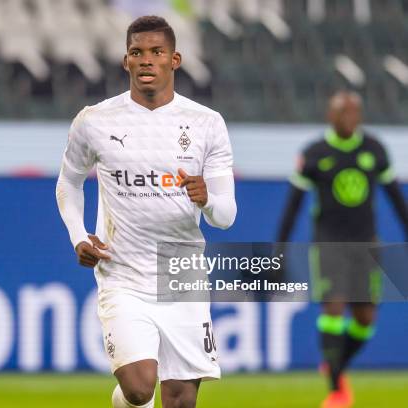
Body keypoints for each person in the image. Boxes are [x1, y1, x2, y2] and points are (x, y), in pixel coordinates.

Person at [56, 15, 236, 408]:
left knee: (181, 401)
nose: (147, 60)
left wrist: (207, 199)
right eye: (137, 52)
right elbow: (68, 183)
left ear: (175, 59)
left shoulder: (206, 124)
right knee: (139, 389)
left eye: (157, 52)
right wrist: (78, 235)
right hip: (122, 273)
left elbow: (225, 215)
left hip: (181, 274)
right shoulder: (95, 121)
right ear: (126, 61)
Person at [276, 91, 408, 408]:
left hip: (367, 245)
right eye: (342, 112)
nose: (348, 117)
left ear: (360, 116)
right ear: (330, 116)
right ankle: (336, 389)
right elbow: (293, 205)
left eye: (353, 112)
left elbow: (395, 198)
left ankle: (335, 363)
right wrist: (278, 248)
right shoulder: (314, 154)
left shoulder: (374, 150)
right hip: (329, 245)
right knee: (333, 309)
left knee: (365, 319)